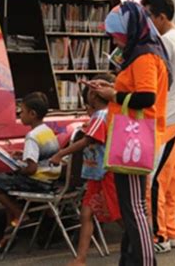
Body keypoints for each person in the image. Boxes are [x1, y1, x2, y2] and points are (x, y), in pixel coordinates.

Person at [91, 1, 170, 266]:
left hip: (136, 138)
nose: (115, 39)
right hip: (132, 137)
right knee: (131, 205)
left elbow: (146, 97)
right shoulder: (141, 53)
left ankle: (146, 262)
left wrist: (113, 94)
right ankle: (130, 260)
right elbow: (137, 89)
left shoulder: (145, 56)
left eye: (117, 34)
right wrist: (112, 85)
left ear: (131, 28)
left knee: (134, 207)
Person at [49, 75, 121, 266]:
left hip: (104, 174)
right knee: (86, 213)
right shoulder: (104, 115)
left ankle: (141, 242)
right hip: (97, 175)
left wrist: (60, 153)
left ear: (95, 97)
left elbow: (88, 140)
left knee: (117, 215)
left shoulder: (101, 116)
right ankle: (80, 259)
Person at [141, 0, 175, 252]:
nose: (146, 22)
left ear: (161, 17)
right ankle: (171, 230)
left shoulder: (163, 42)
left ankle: (160, 236)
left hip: (164, 115)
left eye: (149, 16)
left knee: (156, 179)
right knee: (169, 178)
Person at [0, 92, 60, 253]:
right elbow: (43, 155)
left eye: (22, 111)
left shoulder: (32, 136)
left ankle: (19, 214)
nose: (20, 114)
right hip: (50, 180)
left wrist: (18, 168)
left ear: (32, 114)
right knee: (7, 183)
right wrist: (23, 155)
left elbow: (31, 169)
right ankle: (13, 224)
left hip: (38, 182)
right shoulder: (47, 131)